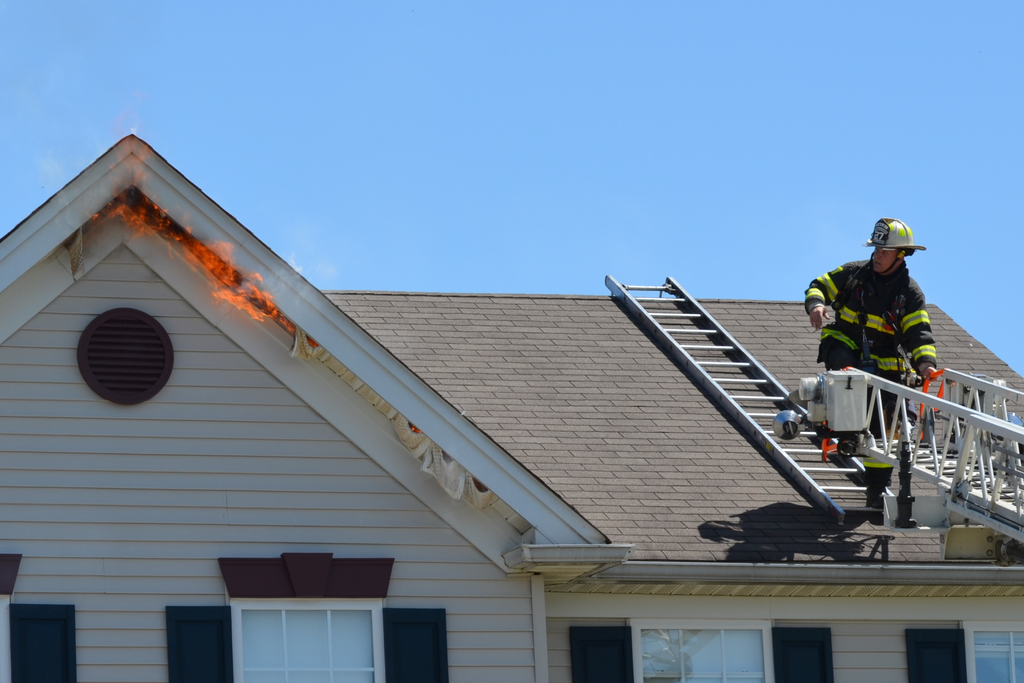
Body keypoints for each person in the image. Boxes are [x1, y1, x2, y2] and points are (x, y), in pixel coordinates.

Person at [804, 218, 939, 508]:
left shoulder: (910, 295)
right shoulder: (854, 274)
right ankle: (843, 428)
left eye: (884, 252)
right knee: (849, 378)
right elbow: (819, 285)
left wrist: (926, 364)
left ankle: (876, 490)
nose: (877, 256)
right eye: (876, 249)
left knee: (890, 427)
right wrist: (816, 305)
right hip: (844, 344)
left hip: (886, 361)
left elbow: (919, 333)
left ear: (900, 255)